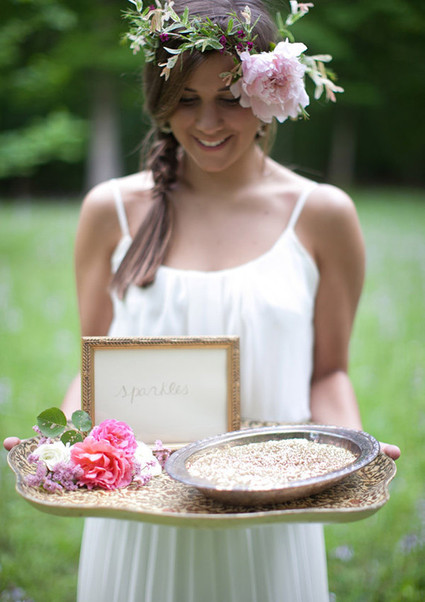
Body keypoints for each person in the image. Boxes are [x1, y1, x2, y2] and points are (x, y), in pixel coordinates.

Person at [4, 1, 400, 600]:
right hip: (138, 525)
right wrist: (62, 447)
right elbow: (95, 366)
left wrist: (352, 453)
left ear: (269, 91)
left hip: (269, 522)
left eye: (230, 96)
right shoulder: (110, 211)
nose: (208, 122)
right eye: (187, 99)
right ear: (160, 101)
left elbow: (329, 371)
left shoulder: (323, 215)